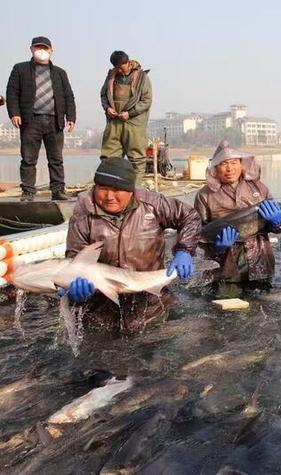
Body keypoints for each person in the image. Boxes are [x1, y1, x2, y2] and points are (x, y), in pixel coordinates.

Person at [63, 158, 201, 333]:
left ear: (130, 190)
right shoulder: (83, 217)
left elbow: (190, 217)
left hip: (152, 307)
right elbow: (75, 260)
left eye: (117, 189)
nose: (109, 196)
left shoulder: (152, 204)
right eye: (103, 188)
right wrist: (75, 289)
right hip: (102, 315)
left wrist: (185, 250)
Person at [194, 140, 281, 297]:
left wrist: (277, 222)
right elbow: (197, 234)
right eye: (224, 164)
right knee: (225, 312)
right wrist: (218, 247)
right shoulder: (205, 195)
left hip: (259, 262)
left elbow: (278, 228)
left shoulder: (259, 188)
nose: (229, 168)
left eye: (234, 162)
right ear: (215, 167)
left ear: (241, 163)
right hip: (224, 268)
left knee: (261, 311)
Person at [6, 36, 76, 201]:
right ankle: (28, 192)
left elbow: (68, 96)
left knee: (56, 159)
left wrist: (71, 116)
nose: (41, 51)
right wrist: (14, 113)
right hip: (30, 121)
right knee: (29, 159)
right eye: (38, 47)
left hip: (55, 121)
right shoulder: (20, 69)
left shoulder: (60, 73)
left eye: (44, 48)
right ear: (31, 49)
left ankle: (58, 190)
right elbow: (12, 92)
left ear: (51, 51)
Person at [100, 51, 152, 185]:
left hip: (134, 124)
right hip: (114, 123)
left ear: (128, 63)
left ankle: (135, 190)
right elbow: (103, 95)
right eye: (117, 68)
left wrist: (130, 113)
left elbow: (146, 101)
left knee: (137, 159)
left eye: (122, 68)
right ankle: (110, 188)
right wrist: (107, 108)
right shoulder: (111, 76)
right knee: (109, 159)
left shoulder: (142, 77)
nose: (120, 71)